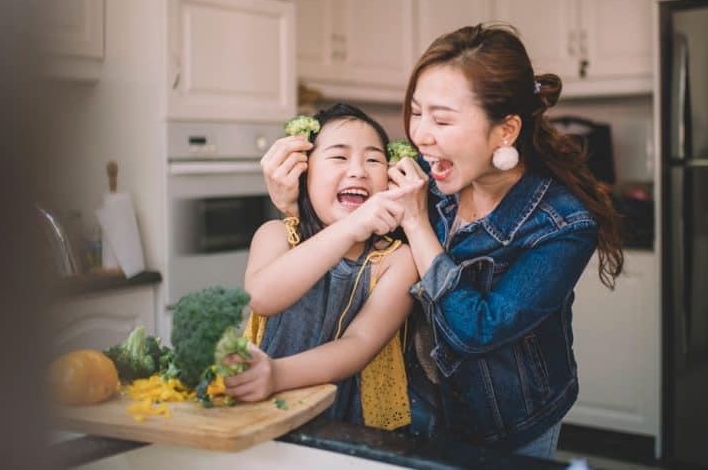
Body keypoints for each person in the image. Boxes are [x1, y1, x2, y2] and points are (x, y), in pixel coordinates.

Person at [261, 24, 624, 458]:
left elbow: (475, 331)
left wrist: (417, 224)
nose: (420, 136)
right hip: (416, 407)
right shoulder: (426, 169)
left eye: (442, 119)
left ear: (505, 131)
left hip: (508, 424)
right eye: (416, 112)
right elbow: (347, 228)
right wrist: (292, 203)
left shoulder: (562, 224)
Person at [223, 103, 424, 431]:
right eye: (339, 157)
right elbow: (261, 297)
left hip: (351, 426)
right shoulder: (276, 235)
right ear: (305, 173)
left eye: (373, 159)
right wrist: (349, 228)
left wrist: (277, 375)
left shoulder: (398, 260)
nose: (358, 170)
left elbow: (359, 344)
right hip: (262, 414)